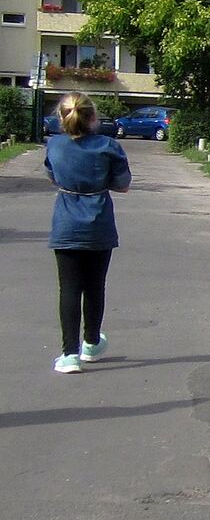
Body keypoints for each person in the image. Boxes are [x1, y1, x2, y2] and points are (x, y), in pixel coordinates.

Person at [44, 92, 131, 374]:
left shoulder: (54, 145)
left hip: (66, 224)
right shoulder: (109, 146)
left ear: (62, 118)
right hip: (99, 224)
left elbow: (53, 176)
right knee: (95, 286)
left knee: (68, 288)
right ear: (93, 118)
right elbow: (123, 184)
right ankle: (91, 342)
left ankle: (69, 354)